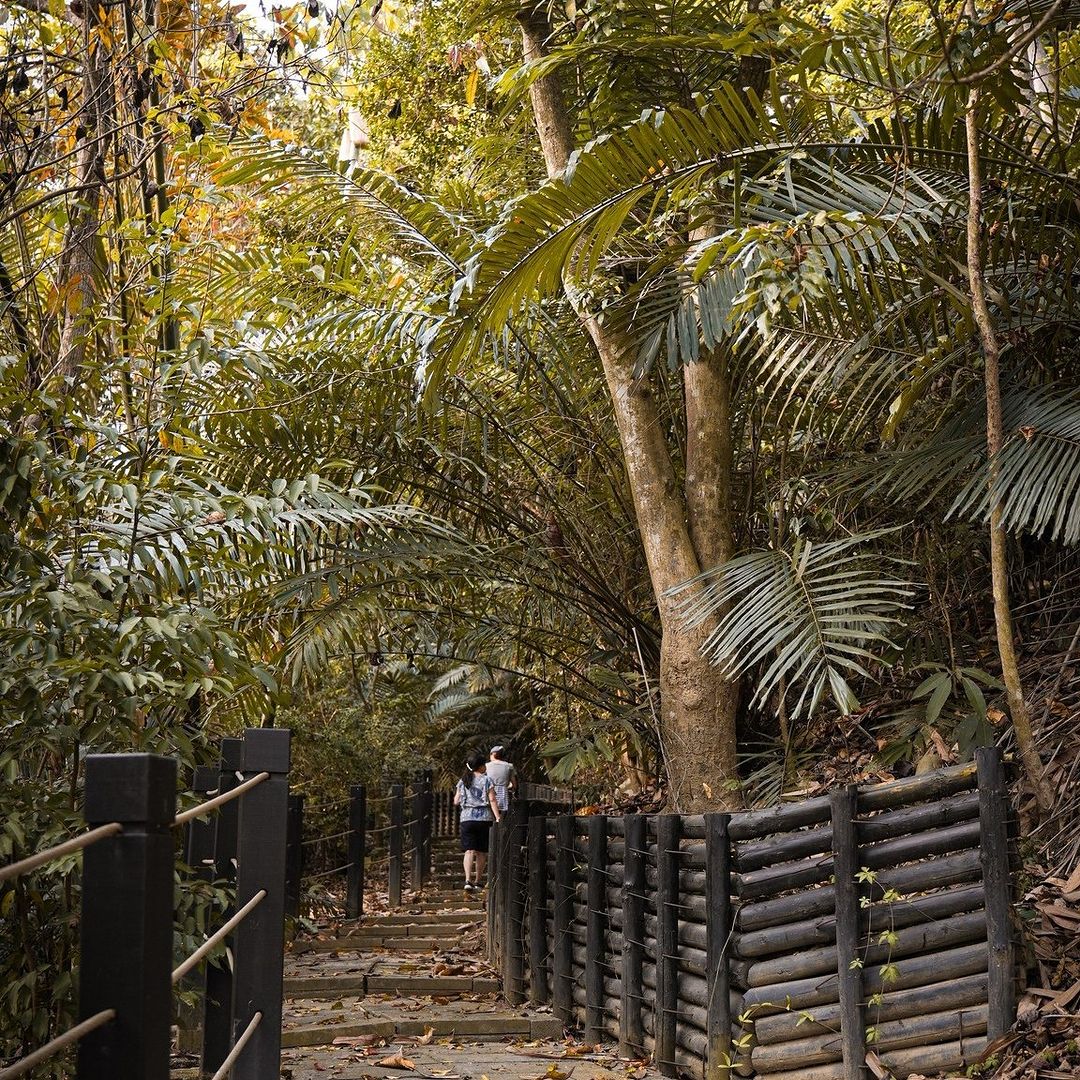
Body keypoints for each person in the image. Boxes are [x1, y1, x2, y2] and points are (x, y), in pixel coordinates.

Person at [453, 751, 501, 891]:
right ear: (480, 766)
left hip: (467, 818)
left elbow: (456, 801)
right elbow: (492, 799)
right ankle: (478, 881)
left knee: (469, 851)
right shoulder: (487, 780)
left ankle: (467, 880)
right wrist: (497, 817)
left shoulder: (463, 780)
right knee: (481, 852)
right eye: (484, 764)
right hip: (483, 819)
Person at [486, 745, 517, 812]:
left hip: (489, 793)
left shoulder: (486, 766)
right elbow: (514, 784)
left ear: (493, 754)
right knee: (502, 815)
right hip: (503, 793)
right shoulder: (509, 766)